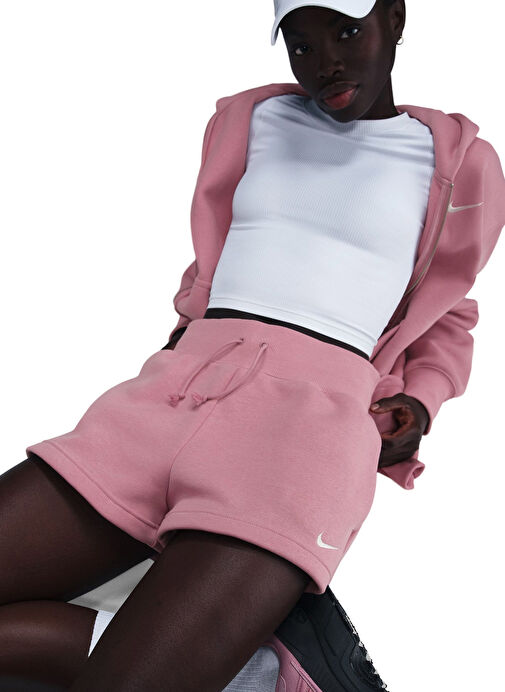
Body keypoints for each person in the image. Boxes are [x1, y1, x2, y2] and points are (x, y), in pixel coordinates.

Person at [2, 1, 504, 691]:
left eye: (346, 31)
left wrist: (420, 401)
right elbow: (222, 255)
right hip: (175, 392)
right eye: (299, 43)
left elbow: (449, 309)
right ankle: (247, 671)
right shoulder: (250, 119)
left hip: (306, 430)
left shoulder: (457, 161)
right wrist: (185, 335)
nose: (324, 62)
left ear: (394, 18)